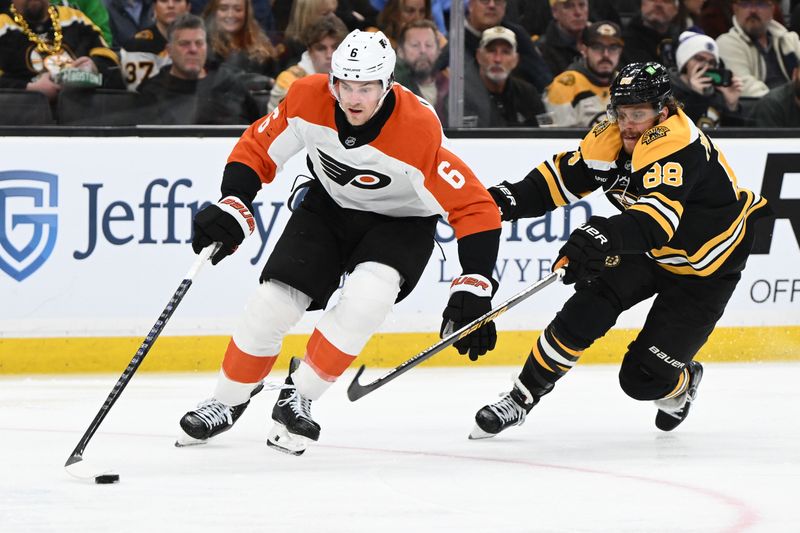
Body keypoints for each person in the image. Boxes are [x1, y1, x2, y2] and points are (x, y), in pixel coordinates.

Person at [177, 29, 502, 456]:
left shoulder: (418, 130)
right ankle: (227, 399)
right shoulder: (308, 97)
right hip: (329, 208)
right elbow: (258, 147)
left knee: (369, 298)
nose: (352, 98)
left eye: (365, 87)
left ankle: (301, 394)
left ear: (387, 86)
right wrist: (234, 200)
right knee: (270, 303)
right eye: (344, 84)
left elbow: (477, 208)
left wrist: (476, 282)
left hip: (401, 223)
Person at [470, 61, 771, 440]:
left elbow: (656, 222)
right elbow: (559, 181)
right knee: (584, 310)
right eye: (622, 112)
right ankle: (520, 398)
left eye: (638, 114)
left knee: (641, 380)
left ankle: (684, 380)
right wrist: (503, 200)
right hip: (648, 252)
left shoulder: (678, 144)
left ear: (663, 111)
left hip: (706, 267)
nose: (627, 124)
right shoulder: (612, 137)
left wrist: (603, 235)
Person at [137, 13, 260, 123]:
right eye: (184, 44)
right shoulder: (153, 91)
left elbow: (257, 127)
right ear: (169, 50)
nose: (193, 50)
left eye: (199, 43)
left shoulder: (228, 83)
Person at [0, 0, 123, 101]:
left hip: (83, 113)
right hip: (27, 118)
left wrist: (94, 67)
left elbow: (109, 58)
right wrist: (30, 88)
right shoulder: (2, 26)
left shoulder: (75, 18)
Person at [460, 25, 546, 127]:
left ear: (515, 60)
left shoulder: (527, 94)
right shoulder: (461, 96)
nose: (498, 59)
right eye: (491, 51)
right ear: (479, 56)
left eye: (505, 52)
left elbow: (544, 136)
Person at [544, 20, 623, 127]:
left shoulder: (626, 84)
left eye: (613, 48)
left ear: (620, 51)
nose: (606, 54)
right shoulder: (564, 85)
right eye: (597, 47)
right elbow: (560, 137)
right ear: (584, 50)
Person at [716, 0, 800, 98]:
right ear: (735, 9)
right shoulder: (726, 43)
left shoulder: (789, 39)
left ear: (772, 9)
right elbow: (745, 88)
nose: (753, 10)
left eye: (761, 4)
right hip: (758, 108)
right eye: (745, 4)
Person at [267, 12, 346, 111]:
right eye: (321, 48)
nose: (330, 55)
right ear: (309, 50)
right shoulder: (288, 81)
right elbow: (277, 125)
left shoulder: (356, 80)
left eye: (336, 47)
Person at [671, 30, 745, 127]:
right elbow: (680, 130)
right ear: (685, 63)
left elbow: (735, 137)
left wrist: (731, 106)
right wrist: (696, 96)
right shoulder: (668, 93)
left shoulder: (718, 94)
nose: (706, 66)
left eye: (711, 62)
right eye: (699, 59)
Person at [202, 0, 279, 83]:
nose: (230, 15)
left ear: (246, 13)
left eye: (237, 9)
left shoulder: (263, 50)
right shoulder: (202, 48)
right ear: (214, 11)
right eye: (223, 9)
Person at [121, 0, 190, 90]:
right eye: (164, 1)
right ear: (154, 7)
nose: (170, 5)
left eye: (177, 0)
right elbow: (144, 94)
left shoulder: (200, 44)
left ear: (188, 7)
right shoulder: (138, 45)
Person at [394, 19, 448, 116]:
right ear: (400, 51)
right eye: (415, 45)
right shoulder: (392, 91)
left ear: (438, 50)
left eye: (429, 45)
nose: (423, 51)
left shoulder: (450, 85)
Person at [537, 0, 590, 77]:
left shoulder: (600, 41)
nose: (578, 12)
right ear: (554, 11)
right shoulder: (542, 51)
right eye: (568, 6)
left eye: (582, 5)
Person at [622, 0, 681, 66]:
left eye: (666, 1)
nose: (659, 4)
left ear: (676, 9)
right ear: (642, 4)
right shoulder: (624, 42)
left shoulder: (681, 40)